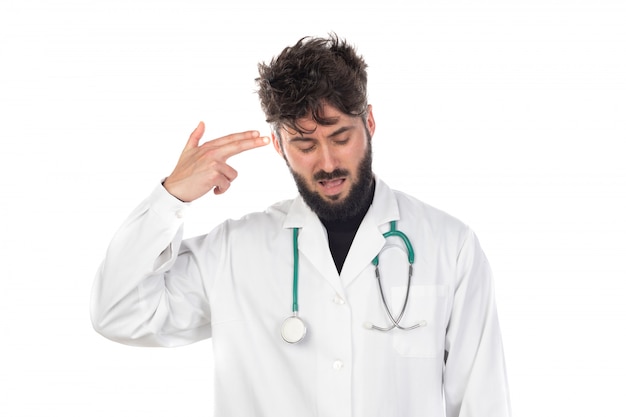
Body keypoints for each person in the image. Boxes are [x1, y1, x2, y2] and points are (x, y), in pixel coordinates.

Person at [91, 33, 511, 417]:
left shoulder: (449, 246)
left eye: (341, 137)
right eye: (305, 145)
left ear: (369, 123)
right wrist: (170, 199)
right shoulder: (234, 253)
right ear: (278, 145)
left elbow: (483, 400)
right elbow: (118, 312)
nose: (327, 163)